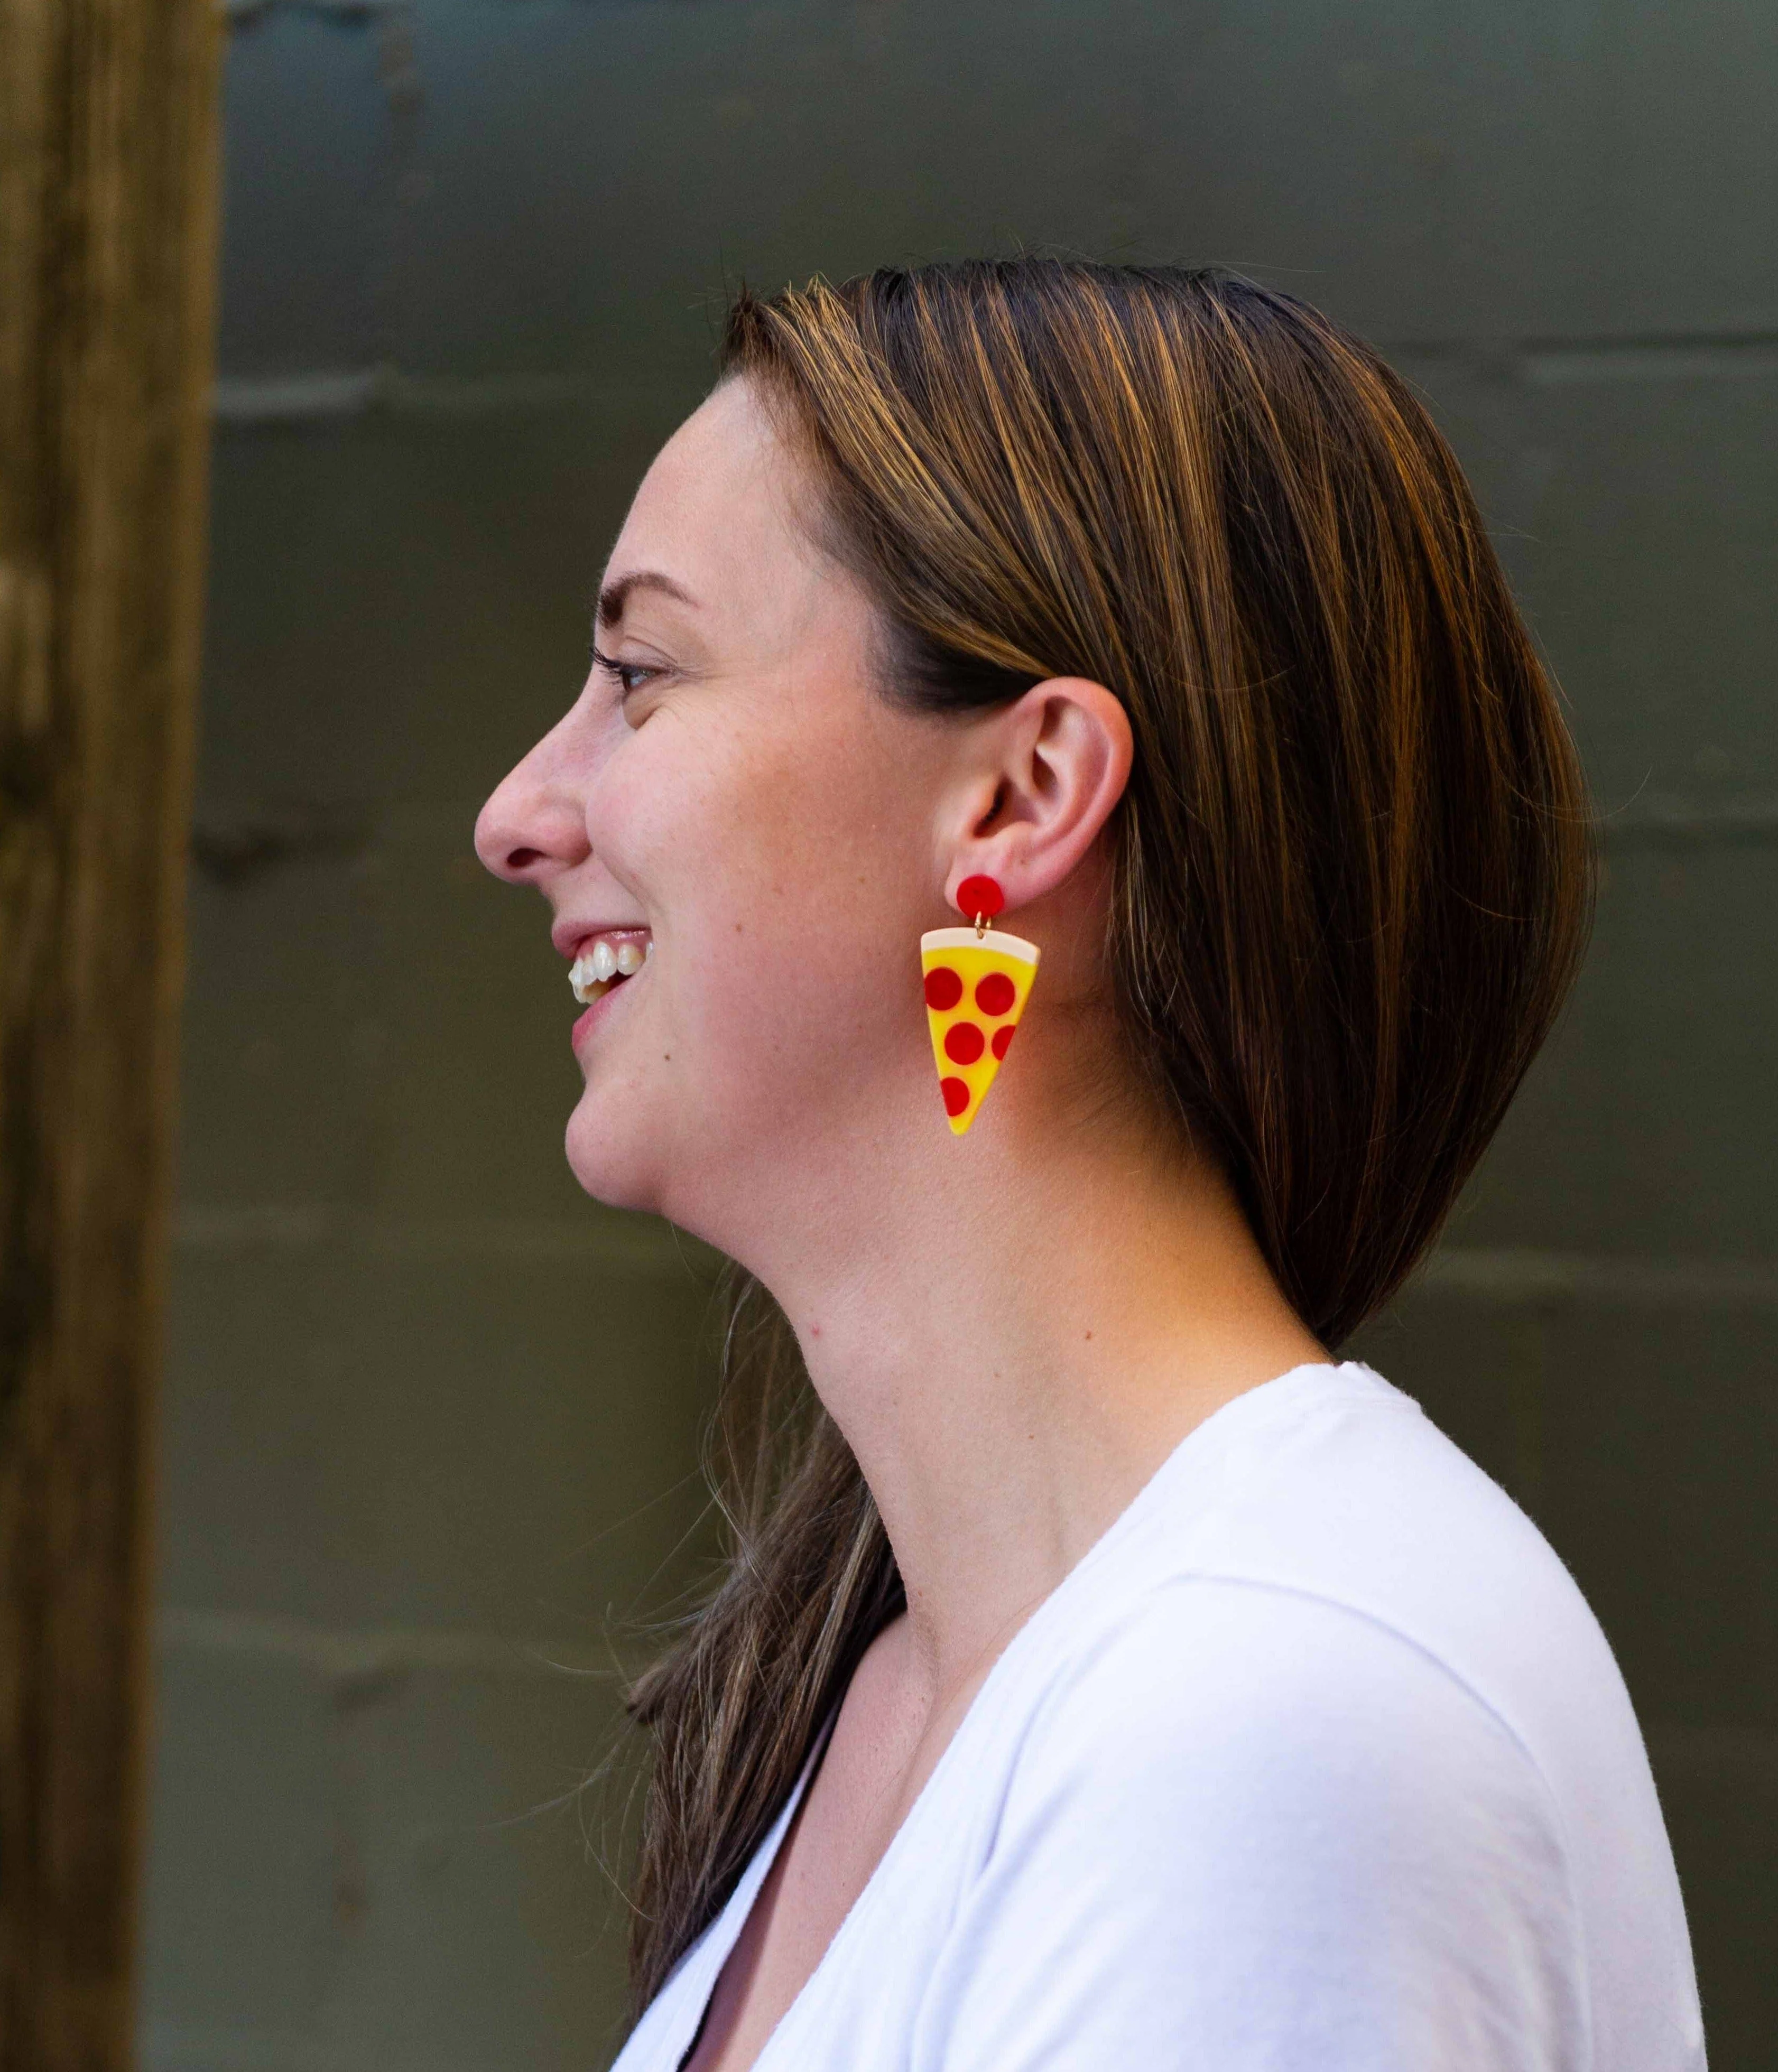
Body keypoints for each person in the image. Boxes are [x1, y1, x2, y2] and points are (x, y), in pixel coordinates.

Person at [474, 259, 1705, 2071]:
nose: (519, 814)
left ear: (1025, 793)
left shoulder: (1267, 1710)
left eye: (642, 675)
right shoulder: (936, 1673)